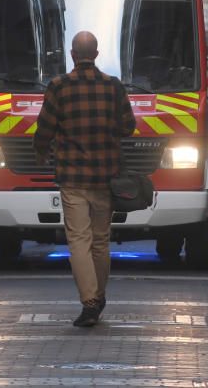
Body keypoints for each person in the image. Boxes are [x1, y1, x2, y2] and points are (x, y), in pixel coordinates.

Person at [34, 31, 136, 327]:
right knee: (101, 240)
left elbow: (45, 129)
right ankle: (99, 295)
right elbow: (129, 127)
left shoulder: (58, 87)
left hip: (73, 177)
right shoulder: (113, 87)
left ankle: (90, 301)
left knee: (79, 239)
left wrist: (40, 151)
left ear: (72, 54)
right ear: (97, 52)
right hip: (106, 176)